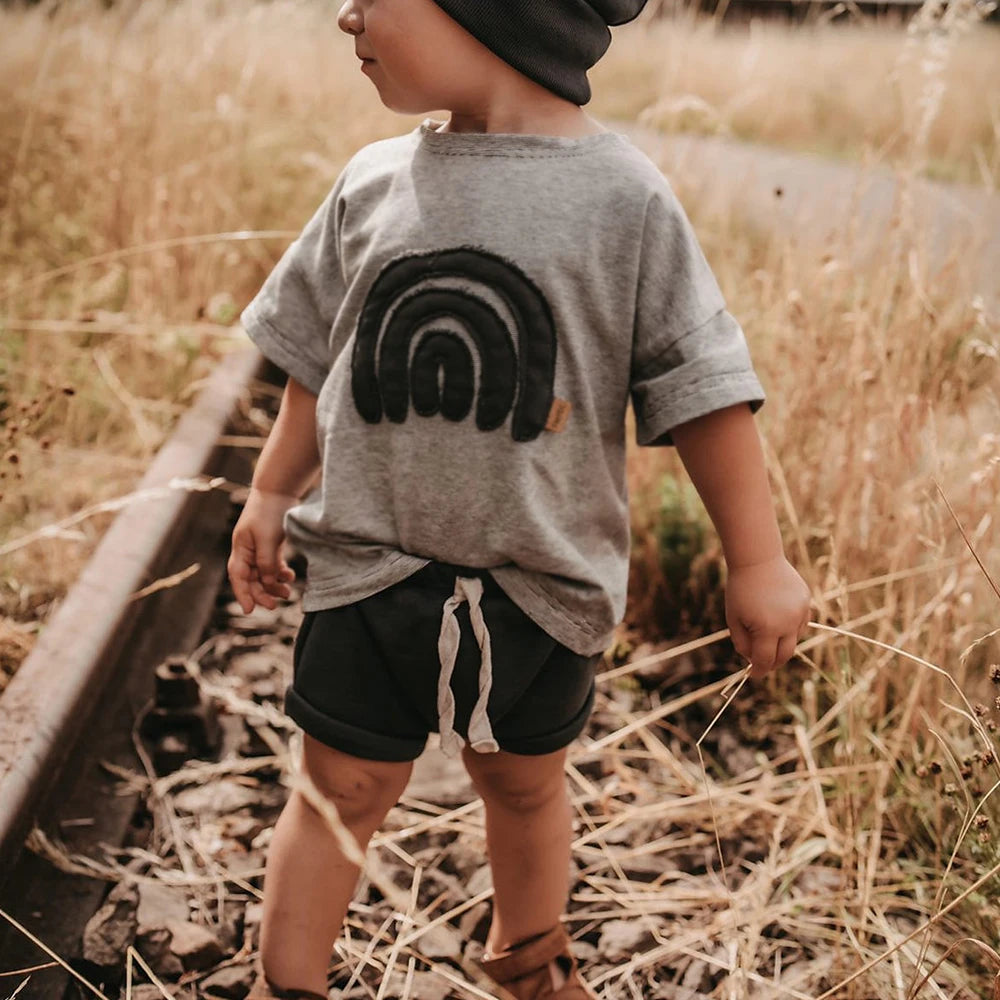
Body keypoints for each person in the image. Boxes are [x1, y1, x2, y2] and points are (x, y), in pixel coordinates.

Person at [228, 0, 813, 997]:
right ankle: (286, 981)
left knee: (523, 782)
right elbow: (313, 358)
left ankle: (525, 956)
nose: (345, 15)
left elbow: (704, 388)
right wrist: (272, 488)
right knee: (337, 788)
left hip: (535, 586)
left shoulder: (622, 201)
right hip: (366, 570)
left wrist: (756, 559)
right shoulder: (370, 182)